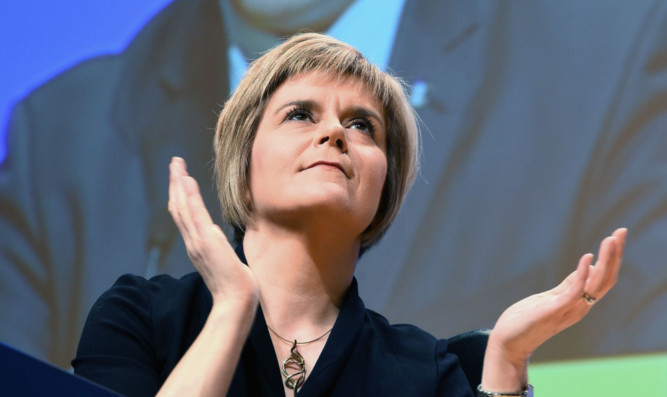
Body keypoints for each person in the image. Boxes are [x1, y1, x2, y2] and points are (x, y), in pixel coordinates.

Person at [1, 0, 662, 369]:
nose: (332, 139)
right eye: (297, 115)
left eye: (362, 125)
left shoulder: (611, 60)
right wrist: (231, 309)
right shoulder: (58, 135)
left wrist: (507, 362)